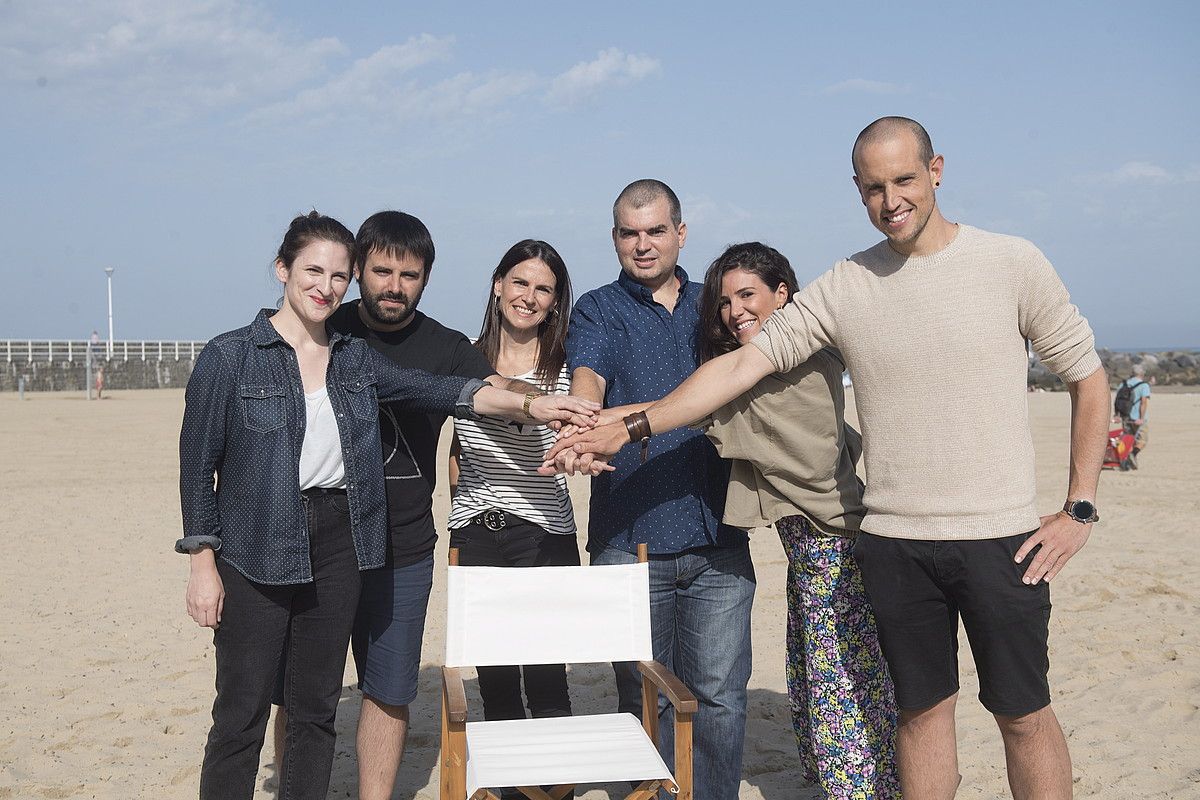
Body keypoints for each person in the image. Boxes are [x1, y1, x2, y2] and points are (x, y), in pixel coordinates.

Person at [548, 119, 1111, 800]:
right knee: (921, 716)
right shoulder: (847, 284)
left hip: (1003, 537)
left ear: (936, 169)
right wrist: (634, 423)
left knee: (1021, 715)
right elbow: (740, 367)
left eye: (904, 179)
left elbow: (1087, 377)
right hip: (896, 541)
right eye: (874, 187)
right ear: (858, 191)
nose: (891, 199)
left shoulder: (1010, 262)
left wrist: (1079, 507)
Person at [178, 211, 598, 800]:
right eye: (316, 271)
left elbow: (455, 390)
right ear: (284, 270)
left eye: (336, 275)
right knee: (252, 707)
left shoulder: (354, 357)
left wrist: (544, 409)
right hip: (266, 545)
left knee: (329, 702)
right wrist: (201, 561)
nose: (327, 285)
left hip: (366, 542)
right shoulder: (243, 353)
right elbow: (198, 464)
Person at [271, 210, 533, 800]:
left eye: (409, 274)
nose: (394, 285)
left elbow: (495, 393)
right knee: (296, 690)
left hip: (404, 546)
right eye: (381, 270)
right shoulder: (319, 327)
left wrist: (551, 402)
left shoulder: (444, 348)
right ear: (357, 269)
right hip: (315, 541)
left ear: (426, 278)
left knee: (388, 689)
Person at [562, 179, 755, 800]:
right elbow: (587, 376)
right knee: (643, 699)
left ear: (681, 233)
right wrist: (586, 422)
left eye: (654, 231)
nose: (642, 245)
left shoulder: (715, 305)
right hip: (630, 539)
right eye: (628, 233)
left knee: (719, 700)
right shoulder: (596, 308)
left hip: (718, 533)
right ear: (615, 237)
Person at [446, 239, 579, 738]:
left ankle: (554, 790)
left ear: (555, 301)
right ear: (498, 285)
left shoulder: (569, 369)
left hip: (544, 534)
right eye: (520, 282)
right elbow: (456, 453)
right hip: (475, 535)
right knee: (495, 686)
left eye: (543, 289)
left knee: (547, 682)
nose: (529, 296)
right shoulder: (463, 358)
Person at [1116, 363, 1151, 468]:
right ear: (1142, 373)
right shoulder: (1144, 385)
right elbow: (1143, 402)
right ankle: (1133, 454)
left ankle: (1127, 463)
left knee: (1128, 440)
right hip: (1137, 418)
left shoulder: (1124, 384)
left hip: (1125, 417)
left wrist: (1116, 415)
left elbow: (1117, 401)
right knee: (1142, 440)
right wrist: (1141, 418)